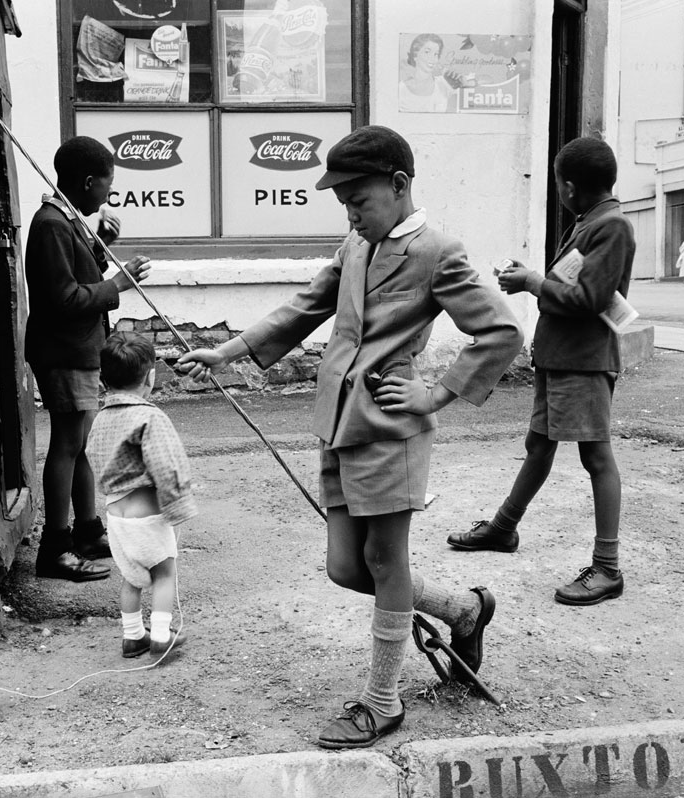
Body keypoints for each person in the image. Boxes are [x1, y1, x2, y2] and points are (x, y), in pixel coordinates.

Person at [178, 126, 522, 749]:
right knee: (345, 567)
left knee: (387, 562)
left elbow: (500, 331)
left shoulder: (438, 251)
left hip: (391, 429)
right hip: (338, 424)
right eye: (344, 204)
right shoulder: (356, 245)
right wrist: (228, 351)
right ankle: (464, 609)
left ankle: (383, 701)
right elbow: (307, 306)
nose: (351, 214)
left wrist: (435, 394)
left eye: (358, 200)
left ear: (398, 185)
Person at [448, 136, 635, 607]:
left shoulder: (612, 227)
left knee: (596, 457)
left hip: (584, 363)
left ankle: (608, 568)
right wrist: (533, 278)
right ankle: (503, 528)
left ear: (568, 187)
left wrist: (532, 281)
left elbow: (590, 299)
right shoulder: (589, 221)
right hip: (561, 359)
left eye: (558, 184)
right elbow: (573, 283)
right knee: (539, 446)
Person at [24, 136, 151, 582]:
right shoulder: (51, 224)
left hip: (79, 349)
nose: (110, 193)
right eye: (108, 184)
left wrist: (101, 246)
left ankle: (87, 532)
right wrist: (117, 285)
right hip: (64, 351)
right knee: (66, 445)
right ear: (88, 181)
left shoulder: (67, 219)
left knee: (81, 445)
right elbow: (63, 298)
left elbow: (77, 274)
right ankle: (55, 548)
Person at [88, 332, 194, 660]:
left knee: (131, 578)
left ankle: (133, 636)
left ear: (103, 379)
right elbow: (166, 464)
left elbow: (93, 456)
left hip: (117, 518)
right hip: (147, 516)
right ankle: (161, 635)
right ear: (150, 377)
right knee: (164, 574)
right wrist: (179, 504)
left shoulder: (100, 419)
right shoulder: (150, 417)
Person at [397, 34, 455, 113]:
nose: (432, 58)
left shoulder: (444, 83)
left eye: (436, 54)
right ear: (415, 55)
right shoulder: (401, 89)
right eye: (427, 52)